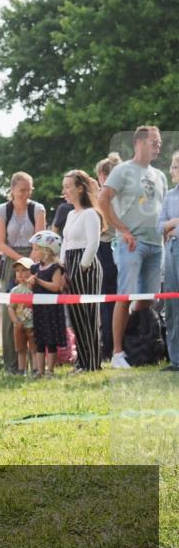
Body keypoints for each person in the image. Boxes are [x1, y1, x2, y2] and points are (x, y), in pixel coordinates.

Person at [98, 126, 168, 369]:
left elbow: (162, 208)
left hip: (156, 243)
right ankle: (117, 352)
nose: (158, 146)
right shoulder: (123, 170)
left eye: (159, 143)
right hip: (131, 243)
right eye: (154, 142)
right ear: (139, 143)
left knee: (147, 299)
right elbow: (102, 199)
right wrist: (122, 229)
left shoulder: (159, 175)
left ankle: (137, 343)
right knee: (125, 296)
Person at [0, 172, 47, 372]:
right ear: (13, 190)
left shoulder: (38, 209)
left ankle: (38, 365)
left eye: (29, 190)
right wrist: (20, 261)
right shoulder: (2, 210)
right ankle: (12, 365)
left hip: (34, 258)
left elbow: (40, 238)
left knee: (36, 310)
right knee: (12, 312)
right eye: (22, 190)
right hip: (11, 259)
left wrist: (31, 262)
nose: (26, 194)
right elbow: (0, 242)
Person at [60, 170, 105, 372]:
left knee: (89, 316)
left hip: (85, 266)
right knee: (76, 316)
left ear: (80, 188)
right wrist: (62, 268)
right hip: (69, 264)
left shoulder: (90, 214)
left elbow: (93, 243)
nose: (65, 191)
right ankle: (82, 361)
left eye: (69, 186)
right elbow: (65, 243)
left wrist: (82, 267)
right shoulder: (70, 214)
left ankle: (93, 363)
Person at [94, 153, 122, 359]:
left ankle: (108, 347)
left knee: (107, 298)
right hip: (121, 248)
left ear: (103, 176)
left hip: (104, 249)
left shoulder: (103, 196)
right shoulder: (125, 194)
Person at [28, 231, 66, 376]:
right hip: (39, 308)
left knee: (50, 340)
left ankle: (50, 370)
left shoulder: (55, 268)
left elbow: (56, 287)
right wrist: (31, 284)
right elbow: (32, 287)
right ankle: (39, 370)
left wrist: (38, 281)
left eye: (36, 249)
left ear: (47, 251)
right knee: (39, 340)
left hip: (51, 309)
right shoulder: (35, 268)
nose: (33, 252)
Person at [158, 151, 179, 371]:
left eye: (174, 167)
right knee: (172, 307)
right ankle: (176, 360)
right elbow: (159, 225)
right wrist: (171, 223)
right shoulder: (170, 196)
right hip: (171, 251)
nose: (171, 171)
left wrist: (173, 227)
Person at [7, 258, 36, 374]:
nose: (20, 273)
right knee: (21, 349)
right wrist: (15, 321)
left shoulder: (35, 289)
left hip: (33, 324)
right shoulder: (14, 290)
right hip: (19, 325)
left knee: (34, 348)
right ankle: (21, 370)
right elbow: (10, 307)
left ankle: (36, 369)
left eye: (24, 270)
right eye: (18, 271)